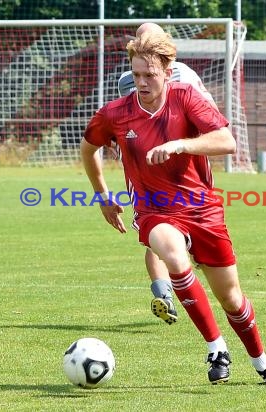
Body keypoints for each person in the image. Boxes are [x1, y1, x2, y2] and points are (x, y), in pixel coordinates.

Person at [81, 30, 266, 385]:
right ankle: (216, 347)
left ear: (167, 70)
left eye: (150, 75)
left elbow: (226, 141)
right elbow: (88, 149)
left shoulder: (187, 97)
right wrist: (103, 196)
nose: (142, 82)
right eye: (136, 75)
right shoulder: (116, 113)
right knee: (173, 257)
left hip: (203, 209)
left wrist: (179, 145)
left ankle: (261, 362)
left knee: (232, 299)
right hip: (154, 210)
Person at [116, 22, 218, 326]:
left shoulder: (178, 77)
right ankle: (166, 291)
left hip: (182, 164)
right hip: (157, 167)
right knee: (156, 234)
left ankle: (170, 285)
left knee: (159, 236)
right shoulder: (172, 75)